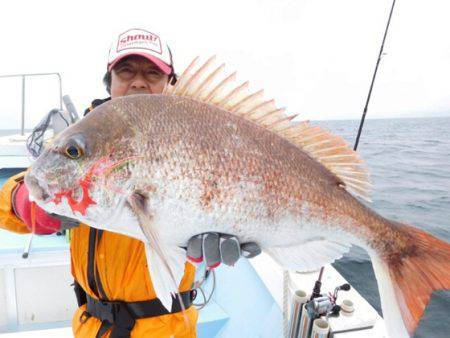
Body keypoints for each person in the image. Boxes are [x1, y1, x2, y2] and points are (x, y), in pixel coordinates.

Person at [0, 28, 260, 338]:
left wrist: (232, 229)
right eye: (125, 71)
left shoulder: (202, 135)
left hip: (166, 330)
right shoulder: (82, 138)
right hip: (91, 326)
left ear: (170, 84)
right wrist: (26, 204)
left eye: (153, 73)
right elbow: (23, 187)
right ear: (108, 82)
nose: (138, 81)